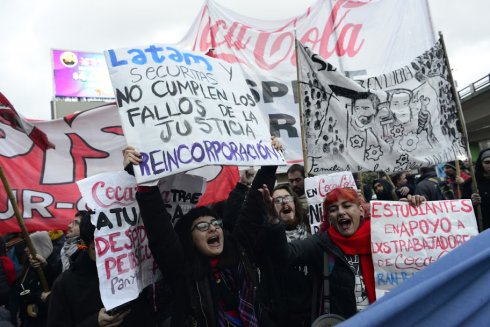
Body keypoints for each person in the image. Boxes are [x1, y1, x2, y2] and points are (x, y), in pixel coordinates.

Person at [126, 142, 278, 326]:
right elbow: (160, 230)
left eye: (216, 223)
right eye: (203, 226)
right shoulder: (183, 271)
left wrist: (271, 162)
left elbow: (254, 207)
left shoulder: (239, 251)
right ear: (190, 239)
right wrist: (145, 182)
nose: (213, 228)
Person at [265, 187, 425, 320]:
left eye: (347, 206)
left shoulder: (384, 232)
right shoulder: (321, 243)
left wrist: (412, 212)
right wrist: (273, 221)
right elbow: (285, 255)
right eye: (333, 209)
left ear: (361, 210)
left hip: (391, 319)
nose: (340, 212)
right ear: (330, 218)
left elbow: (423, 249)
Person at [47, 210, 155, 327]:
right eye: (99, 247)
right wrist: (94, 323)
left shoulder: (133, 274)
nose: (108, 253)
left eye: (114, 245)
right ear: (84, 244)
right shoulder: (65, 284)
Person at [258, 183, 313, 327]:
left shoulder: (312, 230)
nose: (284, 202)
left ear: (295, 203)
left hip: (312, 311)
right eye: (277, 200)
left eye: (287, 198)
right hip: (282, 316)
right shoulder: (265, 239)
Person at [9, 231, 60, 327]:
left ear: (39, 246)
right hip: (26, 317)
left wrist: (44, 267)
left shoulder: (55, 265)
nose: (25, 249)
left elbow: (51, 293)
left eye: (29, 246)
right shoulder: (30, 264)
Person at [463, 148, 490, 231]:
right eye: (487, 162)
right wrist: (471, 202)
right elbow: (463, 207)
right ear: (481, 164)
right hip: (483, 229)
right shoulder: (472, 183)